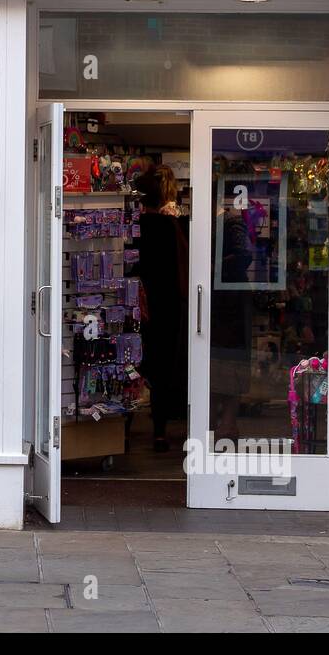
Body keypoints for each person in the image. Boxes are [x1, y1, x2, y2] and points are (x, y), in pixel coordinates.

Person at [134, 165, 188, 452]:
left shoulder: (135, 228)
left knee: (136, 364)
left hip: (140, 304)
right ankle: (159, 430)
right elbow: (182, 269)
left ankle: (123, 427)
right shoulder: (172, 227)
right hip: (167, 306)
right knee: (164, 367)